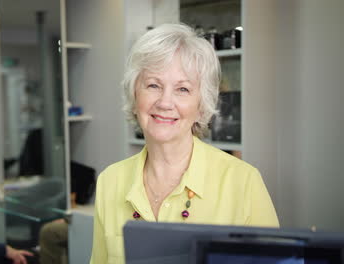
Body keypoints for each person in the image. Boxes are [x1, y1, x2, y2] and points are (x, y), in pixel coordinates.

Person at [90, 23, 279, 263]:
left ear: (201, 106)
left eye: (182, 89)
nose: (165, 102)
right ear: (134, 95)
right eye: (153, 85)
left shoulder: (243, 182)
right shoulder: (110, 181)